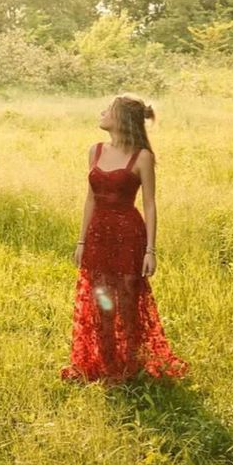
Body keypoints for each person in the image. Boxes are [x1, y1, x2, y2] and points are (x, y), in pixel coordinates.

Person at [60, 93, 189, 386]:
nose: (102, 112)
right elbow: (90, 198)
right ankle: (106, 366)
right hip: (97, 233)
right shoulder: (94, 151)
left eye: (108, 109)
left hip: (129, 234)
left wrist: (150, 250)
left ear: (121, 119)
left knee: (128, 301)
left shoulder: (143, 156)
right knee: (99, 299)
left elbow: (150, 204)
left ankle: (128, 367)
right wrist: (81, 241)